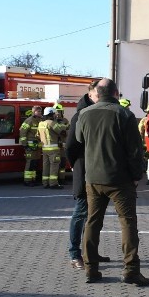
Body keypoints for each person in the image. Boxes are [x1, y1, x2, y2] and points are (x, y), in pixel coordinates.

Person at [69, 78, 149, 286]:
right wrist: (136, 176)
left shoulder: (83, 115)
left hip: (93, 179)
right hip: (120, 180)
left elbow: (78, 140)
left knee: (92, 222)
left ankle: (91, 269)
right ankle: (131, 270)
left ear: (97, 93)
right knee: (128, 223)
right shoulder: (124, 114)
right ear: (116, 93)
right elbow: (135, 150)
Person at [63, 83, 111, 270]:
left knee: (94, 215)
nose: (101, 97)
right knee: (81, 212)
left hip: (97, 170)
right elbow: (70, 146)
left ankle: (90, 252)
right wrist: (76, 165)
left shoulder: (97, 112)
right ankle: (75, 254)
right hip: (84, 170)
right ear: (91, 95)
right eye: (98, 94)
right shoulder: (80, 115)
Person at [37, 107, 64, 190]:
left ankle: (45, 183)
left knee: (46, 166)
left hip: (44, 149)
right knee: (54, 166)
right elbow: (61, 131)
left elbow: (37, 135)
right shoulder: (52, 123)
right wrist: (61, 124)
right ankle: (53, 184)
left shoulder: (41, 123)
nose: (55, 115)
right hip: (53, 149)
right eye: (54, 114)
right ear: (51, 114)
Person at [18, 105, 43, 186]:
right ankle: (27, 181)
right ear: (33, 112)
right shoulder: (29, 120)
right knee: (30, 163)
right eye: (38, 111)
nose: (40, 112)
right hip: (30, 146)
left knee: (34, 163)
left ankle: (33, 179)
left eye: (40, 111)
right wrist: (25, 144)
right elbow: (22, 132)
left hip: (37, 147)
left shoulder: (41, 120)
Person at [53, 103, 68, 185]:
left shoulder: (65, 120)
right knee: (55, 164)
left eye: (59, 111)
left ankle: (62, 178)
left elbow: (69, 130)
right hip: (55, 146)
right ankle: (55, 180)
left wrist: (65, 132)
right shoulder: (52, 121)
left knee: (62, 163)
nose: (58, 113)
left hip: (62, 146)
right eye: (56, 111)